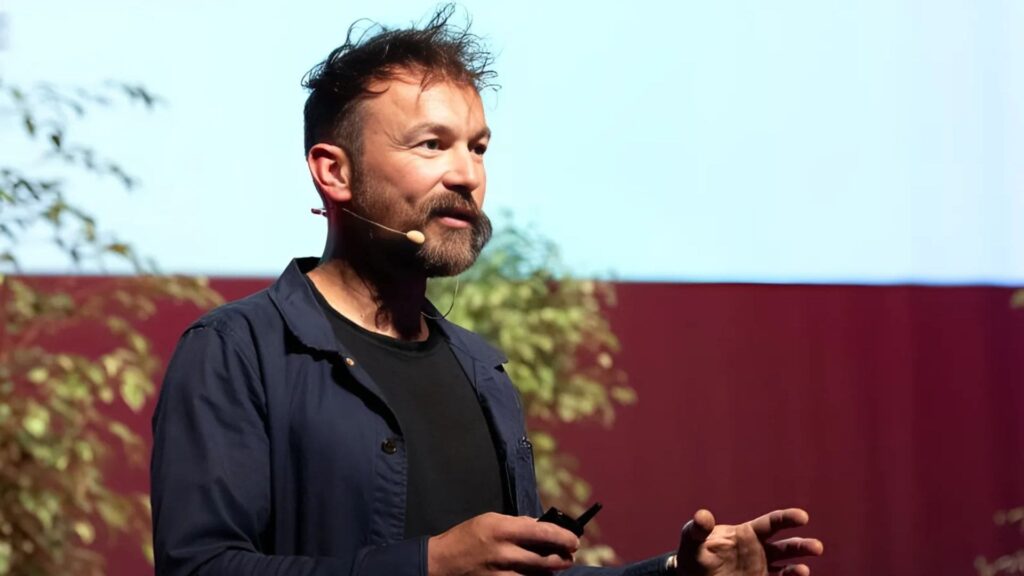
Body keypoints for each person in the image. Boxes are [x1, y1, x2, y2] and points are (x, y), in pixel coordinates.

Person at [150, 7, 824, 576]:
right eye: (432, 144)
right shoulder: (238, 351)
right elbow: (201, 567)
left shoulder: (482, 373)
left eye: (477, 147)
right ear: (335, 172)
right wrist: (426, 565)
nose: (468, 175)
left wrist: (675, 574)